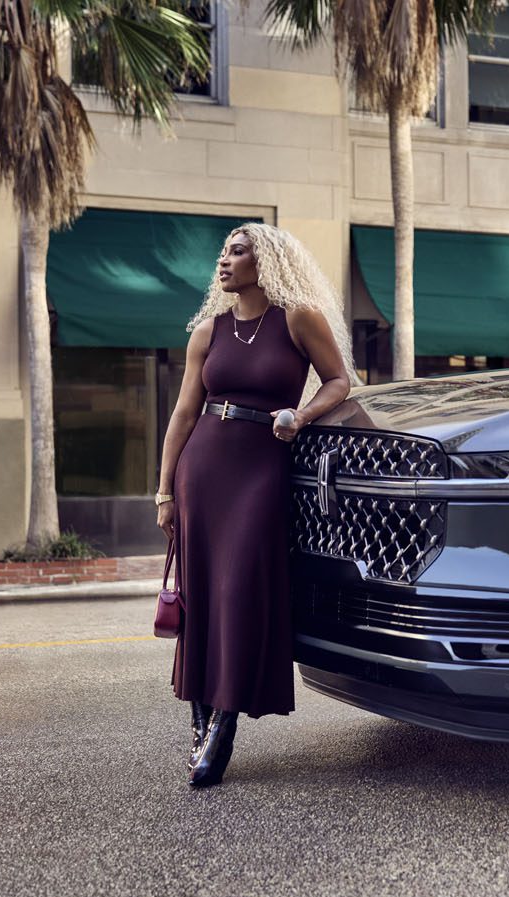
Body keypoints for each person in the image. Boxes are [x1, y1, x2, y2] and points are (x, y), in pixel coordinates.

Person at [155, 223, 352, 787]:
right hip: (202, 469)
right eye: (223, 252)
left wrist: (302, 416)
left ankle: (224, 723)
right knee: (201, 597)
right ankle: (202, 726)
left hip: (261, 473)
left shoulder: (298, 318)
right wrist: (166, 490)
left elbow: (339, 381)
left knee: (239, 593)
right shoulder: (207, 333)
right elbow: (182, 416)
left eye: (237, 252)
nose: (224, 261)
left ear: (264, 261)